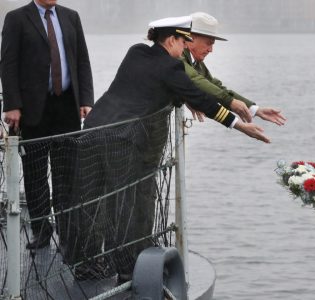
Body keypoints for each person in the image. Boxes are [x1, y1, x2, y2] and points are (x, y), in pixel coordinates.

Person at [75, 15, 270, 283]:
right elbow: (200, 97)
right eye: (182, 41)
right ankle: (125, 270)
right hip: (121, 141)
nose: (183, 49)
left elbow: (148, 84)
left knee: (89, 200)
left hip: (93, 130)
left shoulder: (136, 52)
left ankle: (86, 266)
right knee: (124, 203)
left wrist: (180, 95)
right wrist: (238, 125)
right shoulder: (171, 67)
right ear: (171, 40)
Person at [0, 0, 93, 249]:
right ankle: (41, 229)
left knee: (67, 173)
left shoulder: (71, 17)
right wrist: (12, 105)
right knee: (35, 173)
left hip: (66, 107)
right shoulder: (17, 19)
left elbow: (82, 59)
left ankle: (66, 228)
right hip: (32, 109)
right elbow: (7, 65)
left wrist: (86, 99)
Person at [182, 12, 286, 126]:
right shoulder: (178, 56)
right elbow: (194, 80)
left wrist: (255, 110)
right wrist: (230, 102)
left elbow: (213, 84)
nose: (211, 50)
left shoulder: (193, 60)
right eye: (208, 43)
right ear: (190, 38)